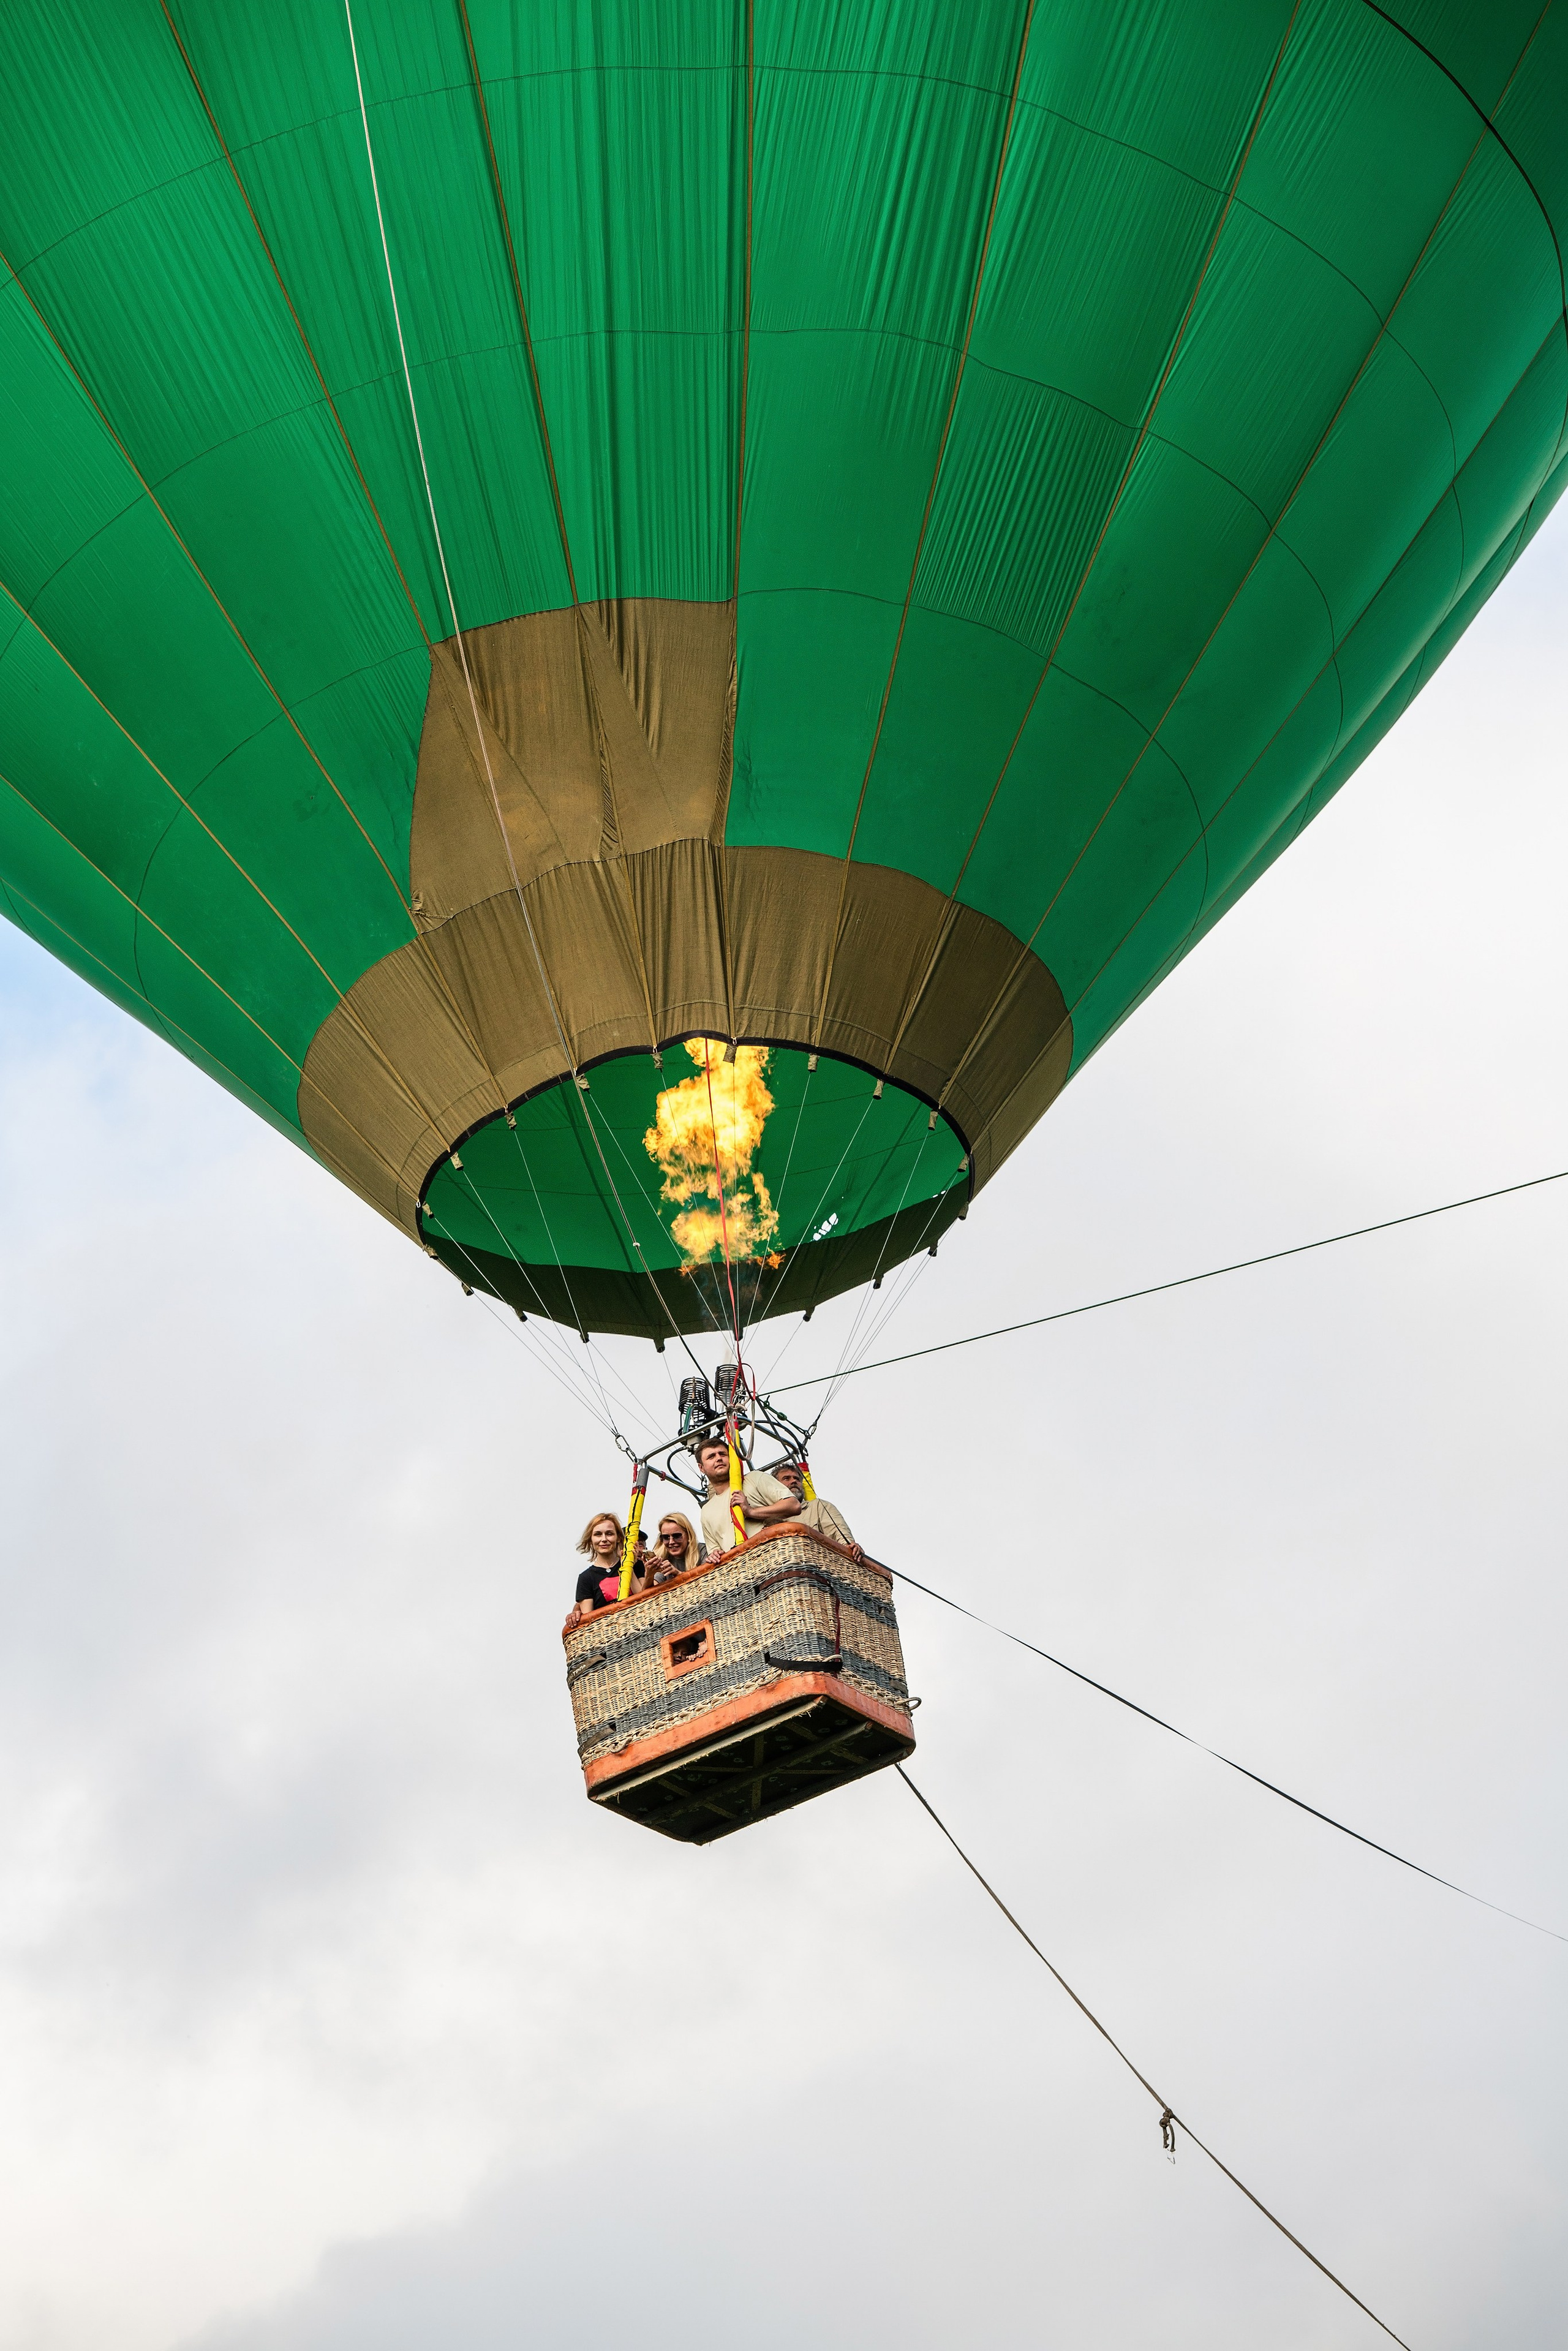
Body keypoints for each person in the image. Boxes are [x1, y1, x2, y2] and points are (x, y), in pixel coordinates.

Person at [693, 1436, 862, 1563]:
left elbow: (793, 1505)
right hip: (740, 1572)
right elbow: (715, 1551)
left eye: (723, 1454)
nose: (719, 1458)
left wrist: (751, 1511)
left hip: (774, 1559)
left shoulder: (754, 1479)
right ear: (701, 1467)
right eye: (711, 1456)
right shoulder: (707, 1511)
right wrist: (714, 1556)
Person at [569, 1511, 635, 1624]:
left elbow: (645, 1597)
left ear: (618, 1538)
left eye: (609, 1534)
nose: (604, 1539)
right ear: (591, 1540)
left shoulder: (634, 1563)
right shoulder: (586, 1578)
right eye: (598, 1534)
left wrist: (628, 1564)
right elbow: (588, 1621)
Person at [647, 1512, 698, 1585]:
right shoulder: (663, 1559)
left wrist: (678, 1574)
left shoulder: (702, 1551)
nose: (671, 1542)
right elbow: (650, 1594)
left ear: (689, 1536)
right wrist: (649, 1575)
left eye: (677, 1536)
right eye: (666, 1537)